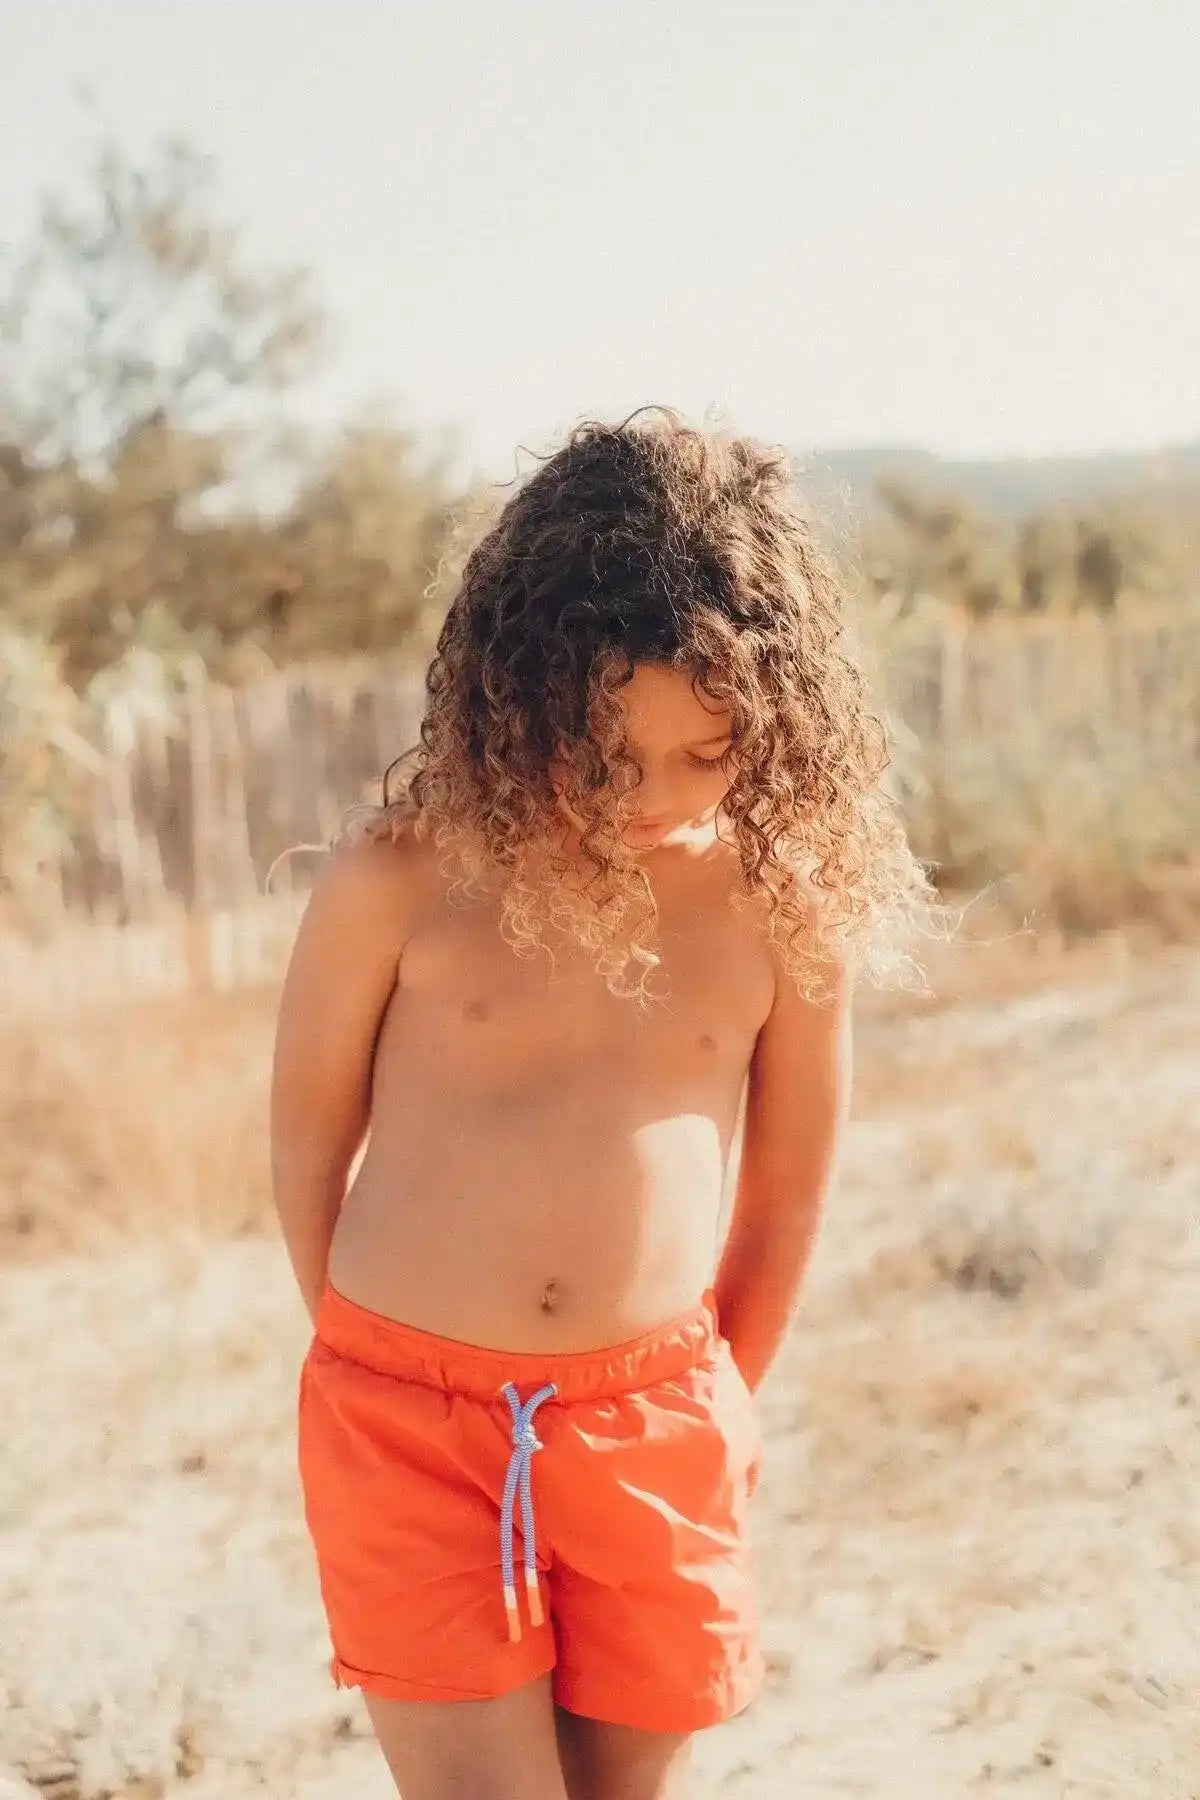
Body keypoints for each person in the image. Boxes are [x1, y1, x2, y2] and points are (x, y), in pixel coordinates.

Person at [270, 406, 945, 1800]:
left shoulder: (781, 910)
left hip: (657, 1426)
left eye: (707, 756)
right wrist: (372, 1355)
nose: (654, 797)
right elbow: (306, 1142)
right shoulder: (398, 879)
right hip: (407, 1427)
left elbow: (788, 1194)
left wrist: (715, 1405)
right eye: (608, 755)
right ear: (522, 698)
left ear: (775, 728)